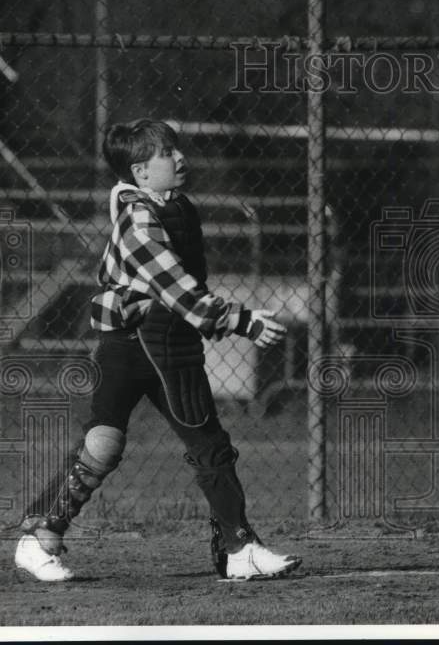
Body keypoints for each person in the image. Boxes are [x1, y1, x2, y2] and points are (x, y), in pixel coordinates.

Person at [15, 119, 302, 582]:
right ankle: (39, 539)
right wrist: (239, 320)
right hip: (137, 344)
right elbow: (175, 286)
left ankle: (237, 547)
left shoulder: (179, 207)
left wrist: (211, 319)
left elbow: (189, 285)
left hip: (163, 342)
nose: (181, 157)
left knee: (193, 442)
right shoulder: (138, 218)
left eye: (176, 149)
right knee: (121, 443)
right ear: (141, 171)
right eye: (168, 153)